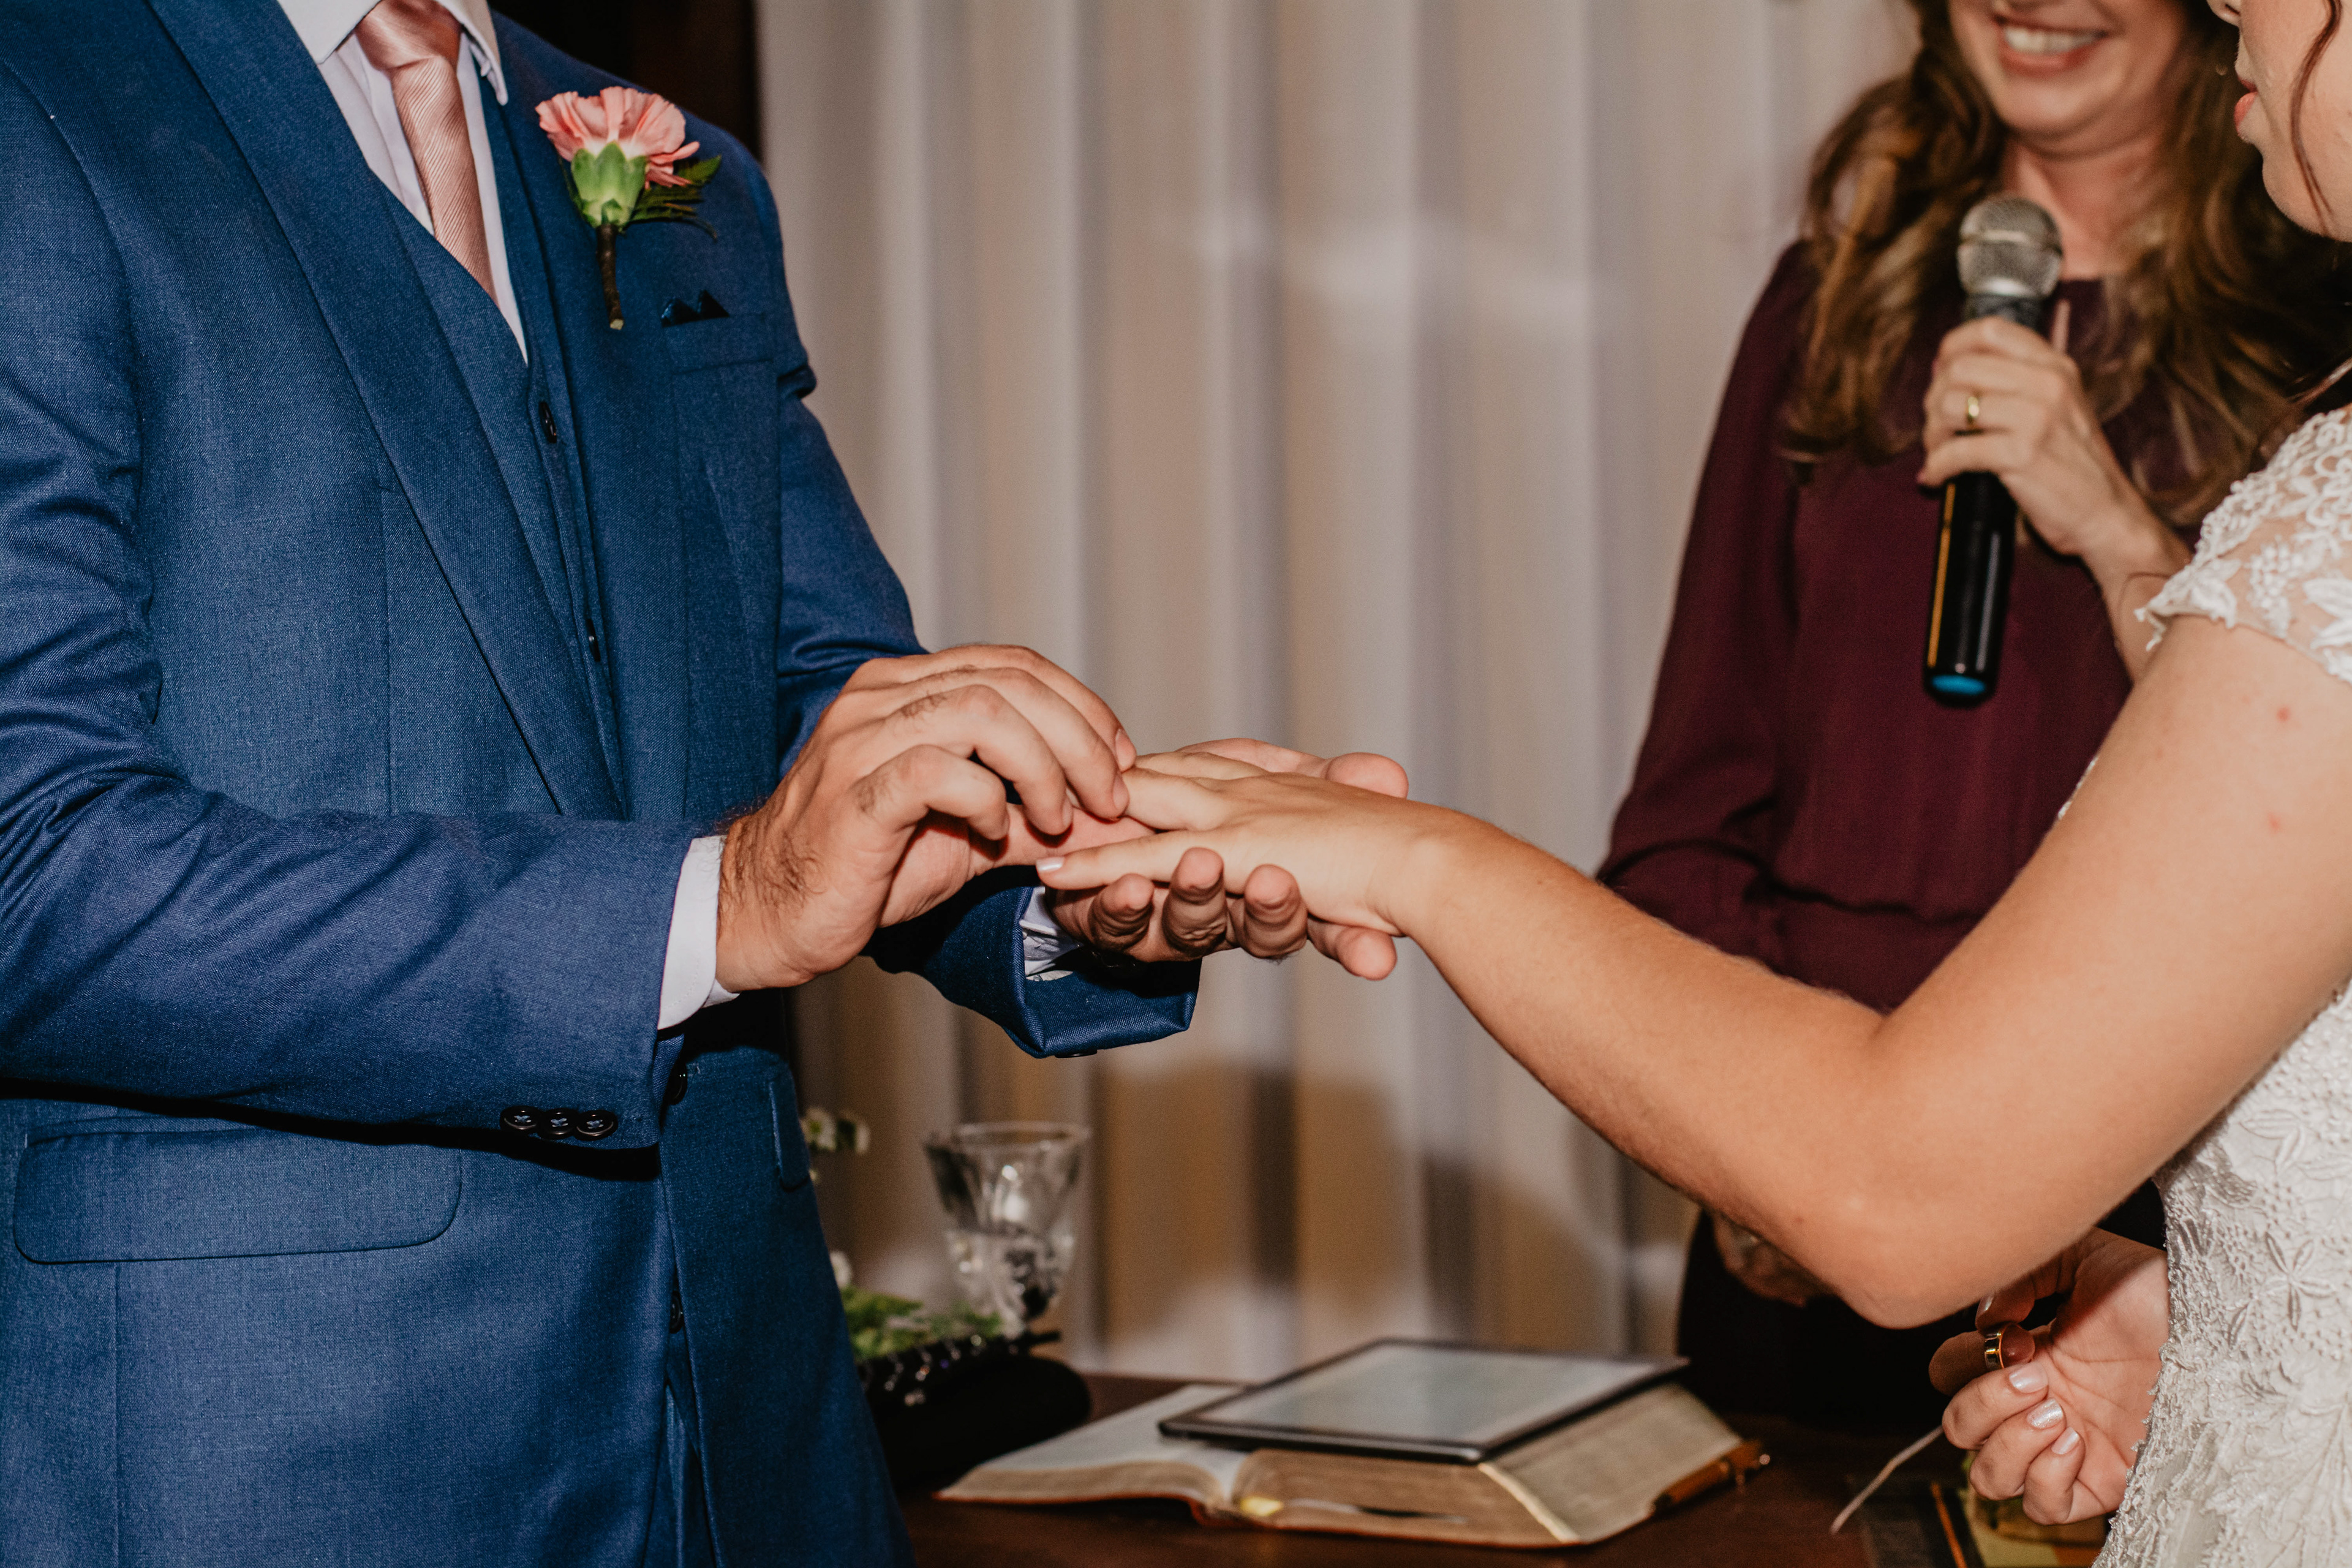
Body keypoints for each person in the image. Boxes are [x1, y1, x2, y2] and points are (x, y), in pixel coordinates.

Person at [0, 2, 1402, 1564]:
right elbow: (32, 866)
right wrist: (719, 901)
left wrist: (1089, 865)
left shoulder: (682, 172)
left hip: (755, 1442)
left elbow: (822, 710)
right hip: (277, 1451)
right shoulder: (35, 93)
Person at [1042, 2, 2352, 1551]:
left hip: (2006, 1155)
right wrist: (2218, 1332)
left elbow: (1911, 1177)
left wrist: (1407, 852)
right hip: (1889, 1188)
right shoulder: (1836, 308)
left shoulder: (2313, 430)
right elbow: (1692, 798)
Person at [1601, 0, 2348, 1430]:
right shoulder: (1830, 306)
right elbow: (1688, 807)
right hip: (1793, 1176)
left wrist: (2114, 520)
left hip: (2138, 1212)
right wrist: (1759, 1159)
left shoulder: (2312, 341)